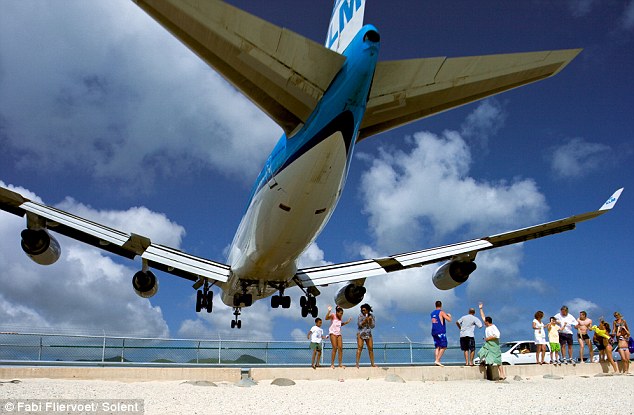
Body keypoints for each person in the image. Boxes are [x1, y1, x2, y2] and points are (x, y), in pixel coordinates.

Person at [477, 302, 505, 380]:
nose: (483, 322)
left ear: (487, 322)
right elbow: (483, 316)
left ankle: (502, 374)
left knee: (498, 360)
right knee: (481, 352)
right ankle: (483, 362)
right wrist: (481, 308)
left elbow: (497, 335)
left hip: (494, 344)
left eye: (484, 321)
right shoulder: (487, 326)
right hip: (488, 344)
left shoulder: (493, 327)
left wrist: (487, 338)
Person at [430, 300, 452, 367]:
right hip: (440, 331)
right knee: (444, 346)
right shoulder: (441, 312)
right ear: (441, 305)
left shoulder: (432, 313)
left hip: (434, 331)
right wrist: (449, 316)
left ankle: (436, 360)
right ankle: (437, 360)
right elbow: (449, 320)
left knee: (437, 347)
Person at [355, 303, 376, 368]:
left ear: (367, 310)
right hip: (361, 333)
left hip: (368, 333)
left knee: (370, 349)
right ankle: (357, 363)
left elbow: (372, 326)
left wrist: (369, 321)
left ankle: (372, 364)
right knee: (359, 348)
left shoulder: (372, 316)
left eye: (364, 310)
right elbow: (359, 325)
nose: (362, 311)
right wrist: (365, 321)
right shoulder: (360, 316)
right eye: (362, 310)